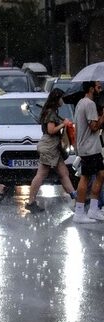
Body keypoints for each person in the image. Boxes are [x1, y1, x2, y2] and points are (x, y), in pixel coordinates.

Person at [25, 88, 77, 213]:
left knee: (63, 173)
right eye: (61, 98)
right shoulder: (51, 113)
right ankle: (31, 202)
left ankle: (75, 196)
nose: (62, 101)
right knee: (41, 174)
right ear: (56, 98)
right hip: (49, 146)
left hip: (53, 147)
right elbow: (51, 130)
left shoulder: (52, 111)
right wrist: (63, 124)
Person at [72, 81, 104, 223]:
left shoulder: (80, 103)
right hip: (89, 148)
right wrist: (103, 117)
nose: (100, 89)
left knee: (100, 174)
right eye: (97, 87)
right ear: (91, 89)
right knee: (85, 177)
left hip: (89, 147)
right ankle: (79, 213)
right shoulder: (89, 104)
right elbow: (94, 127)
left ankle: (93, 209)